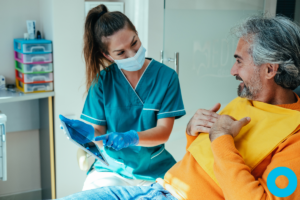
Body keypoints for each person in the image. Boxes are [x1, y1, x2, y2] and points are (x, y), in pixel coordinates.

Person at [59, 15, 300, 200]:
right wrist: (193, 133)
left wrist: (221, 139)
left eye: (239, 61)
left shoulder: (294, 136)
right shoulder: (247, 100)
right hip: (161, 187)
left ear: (270, 70)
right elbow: (203, 161)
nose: (232, 71)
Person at [59, 4, 186, 190]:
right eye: (121, 52)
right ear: (107, 55)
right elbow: (99, 134)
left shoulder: (166, 77)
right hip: (112, 170)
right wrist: (85, 134)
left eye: (134, 43)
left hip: (155, 169)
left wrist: (131, 137)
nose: (133, 54)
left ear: (137, 33)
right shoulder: (102, 82)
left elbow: (164, 132)